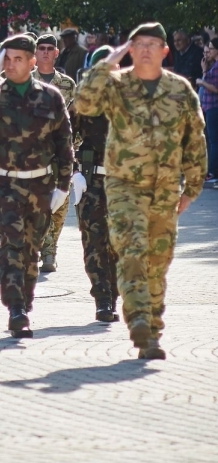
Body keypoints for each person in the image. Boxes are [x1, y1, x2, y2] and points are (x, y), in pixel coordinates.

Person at [76, 22, 207, 359]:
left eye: (153, 44)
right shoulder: (116, 85)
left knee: (157, 261)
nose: (146, 50)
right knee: (131, 250)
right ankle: (138, 320)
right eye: (139, 44)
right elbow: (84, 103)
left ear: (165, 51)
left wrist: (192, 188)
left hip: (165, 189)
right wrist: (108, 62)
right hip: (124, 187)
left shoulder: (180, 90)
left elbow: (195, 139)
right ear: (130, 50)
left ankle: (152, 328)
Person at [0, 34, 73, 339]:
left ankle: (25, 300)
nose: (11, 65)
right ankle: (16, 308)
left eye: (18, 59)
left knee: (31, 249)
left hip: (40, 185)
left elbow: (64, 144)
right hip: (5, 184)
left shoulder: (50, 97)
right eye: (7, 59)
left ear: (32, 62)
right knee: (12, 245)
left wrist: (63, 186)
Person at [70, 44, 120, 323]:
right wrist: (73, 171)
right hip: (92, 181)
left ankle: (114, 294)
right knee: (94, 242)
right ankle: (103, 300)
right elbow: (63, 138)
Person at [34, 32, 76, 273]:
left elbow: (75, 119)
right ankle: (47, 252)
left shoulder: (67, 84)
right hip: (32, 154)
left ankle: (51, 246)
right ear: (35, 52)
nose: (46, 52)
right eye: (42, 48)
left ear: (57, 53)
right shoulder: (25, 80)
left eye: (50, 48)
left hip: (60, 152)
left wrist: (73, 146)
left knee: (60, 206)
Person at [196, 37, 218, 184]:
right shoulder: (213, 66)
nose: (208, 51)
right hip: (209, 106)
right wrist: (204, 71)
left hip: (213, 106)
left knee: (214, 141)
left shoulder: (216, 67)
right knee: (211, 140)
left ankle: (212, 172)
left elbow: (215, 89)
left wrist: (202, 82)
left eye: (211, 48)